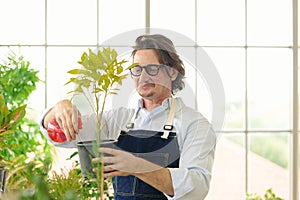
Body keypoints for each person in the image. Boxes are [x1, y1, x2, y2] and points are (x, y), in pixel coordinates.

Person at [39, 34, 216, 200]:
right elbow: (62, 137)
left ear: (173, 72)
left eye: (152, 69)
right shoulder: (117, 120)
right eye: (137, 69)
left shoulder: (195, 124)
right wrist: (58, 108)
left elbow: (197, 188)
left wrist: (138, 166)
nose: (143, 76)